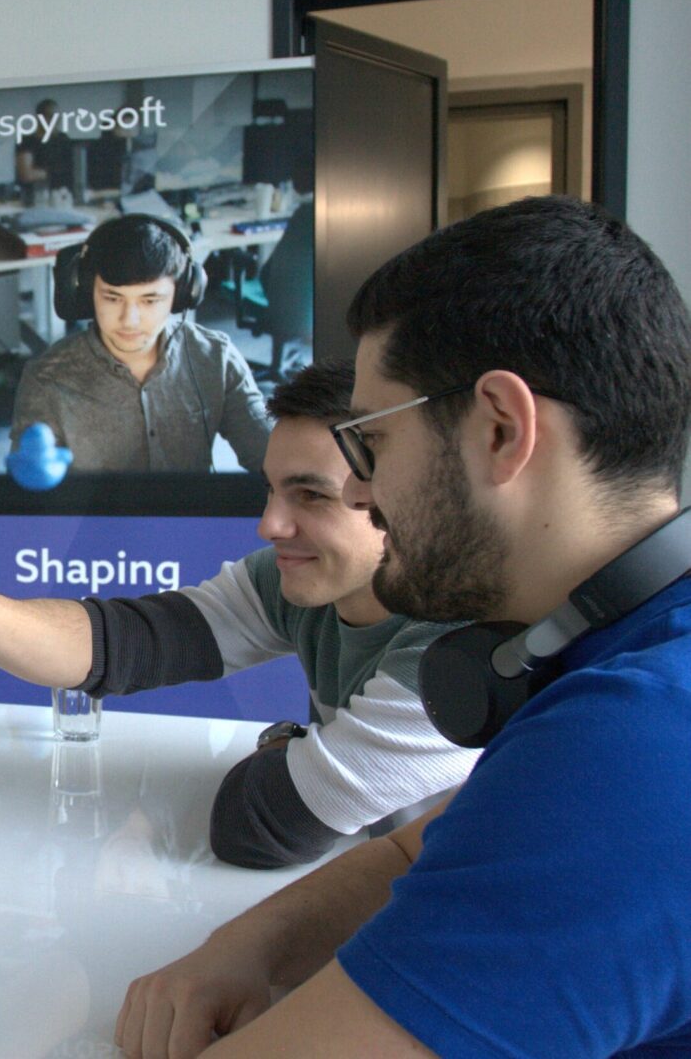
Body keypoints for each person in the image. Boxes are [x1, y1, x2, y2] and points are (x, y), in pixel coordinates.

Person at [114, 195, 691, 1057]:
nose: (362, 494)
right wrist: (255, 944)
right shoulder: (625, 647)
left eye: (373, 447)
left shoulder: (631, 748)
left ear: (501, 429)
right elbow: (427, 844)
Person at [0, 359, 474, 868]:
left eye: (312, 496)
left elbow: (257, 826)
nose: (270, 524)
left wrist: (285, 746)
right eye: (272, 490)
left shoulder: (453, 654)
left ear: (394, 492)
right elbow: (124, 644)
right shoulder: (298, 584)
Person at [9, 214, 272, 474]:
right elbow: (29, 499)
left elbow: (271, 460)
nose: (129, 320)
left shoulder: (216, 357)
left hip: (190, 516)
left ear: (182, 294)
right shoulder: (46, 379)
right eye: (113, 298)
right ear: (86, 291)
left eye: (150, 300)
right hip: (95, 518)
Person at [15, 98, 76, 200]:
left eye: (58, 117)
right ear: (39, 118)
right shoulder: (27, 141)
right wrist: (55, 172)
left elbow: (74, 171)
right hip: (36, 197)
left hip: (63, 196)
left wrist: (46, 173)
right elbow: (26, 174)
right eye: (51, 117)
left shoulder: (64, 140)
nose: (55, 121)